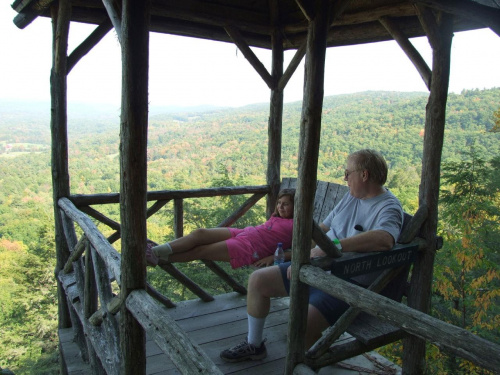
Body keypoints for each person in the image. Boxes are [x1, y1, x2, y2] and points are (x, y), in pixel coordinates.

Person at [219, 149, 404, 362]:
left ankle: (309, 363)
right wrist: (299, 258)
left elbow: (385, 239)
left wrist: (333, 246)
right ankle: (254, 345)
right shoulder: (352, 198)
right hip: (319, 268)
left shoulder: (388, 206)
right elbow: (322, 229)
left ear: (364, 175)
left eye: (347, 173)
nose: (345, 178)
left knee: (300, 326)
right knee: (258, 280)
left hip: (348, 283)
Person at [146, 189, 295, 269]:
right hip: (245, 232)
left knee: (202, 251)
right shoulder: (278, 216)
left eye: (286, 204)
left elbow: (306, 251)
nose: (280, 207)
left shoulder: (297, 225)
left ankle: (156, 258)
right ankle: (154, 252)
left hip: (251, 248)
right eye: (279, 203)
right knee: (200, 233)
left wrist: (272, 257)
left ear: (296, 206)